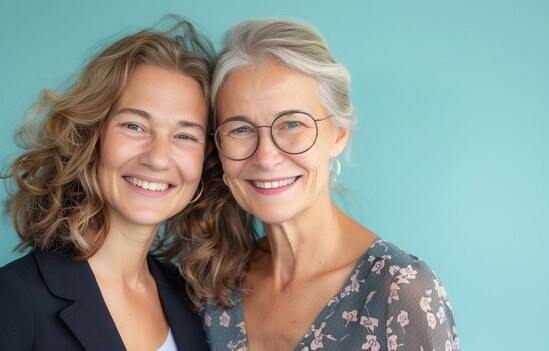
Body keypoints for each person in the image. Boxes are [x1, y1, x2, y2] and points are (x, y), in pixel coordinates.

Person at [184, 19, 460, 350]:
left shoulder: (399, 290)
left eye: (291, 124)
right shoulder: (215, 280)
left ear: (339, 134)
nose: (266, 157)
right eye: (240, 129)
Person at [0, 18, 217, 350]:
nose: (158, 158)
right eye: (134, 126)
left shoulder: (190, 299)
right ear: (90, 136)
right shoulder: (15, 297)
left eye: (185, 135)